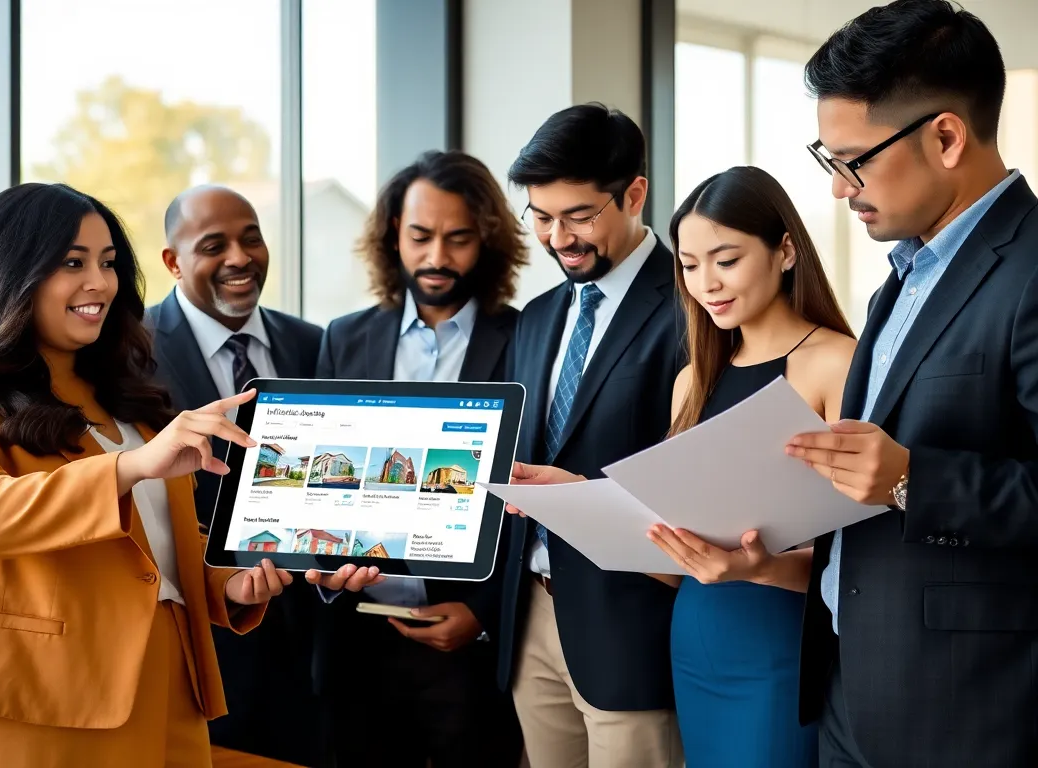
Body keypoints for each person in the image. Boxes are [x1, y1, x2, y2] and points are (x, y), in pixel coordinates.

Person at [0, 182, 294, 767]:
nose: (99, 282)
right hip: (29, 698)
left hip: (168, 683)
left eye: (108, 262)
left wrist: (226, 581)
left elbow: (152, 544)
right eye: (73, 263)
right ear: (10, 271)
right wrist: (130, 466)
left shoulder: (121, 386)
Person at [786, 2, 1038, 766]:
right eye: (828, 162)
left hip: (967, 711)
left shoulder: (1029, 273)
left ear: (947, 136)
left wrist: (911, 480)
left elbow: (906, 474)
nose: (839, 189)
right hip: (849, 688)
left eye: (853, 161)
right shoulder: (899, 280)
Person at [312, 149, 527, 768]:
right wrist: (323, 575)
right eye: (420, 236)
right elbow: (327, 481)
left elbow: (530, 498)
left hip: (466, 646)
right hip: (357, 639)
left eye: (458, 238)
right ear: (392, 238)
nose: (437, 257)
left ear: (485, 242)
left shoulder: (526, 339)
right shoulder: (343, 337)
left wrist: (482, 617)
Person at [642, 166, 856, 768]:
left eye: (726, 259)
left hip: (781, 642)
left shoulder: (835, 363)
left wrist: (757, 567)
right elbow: (675, 547)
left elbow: (861, 553)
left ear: (786, 250)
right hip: (697, 635)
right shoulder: (693, 379)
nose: (705, 282)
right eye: (688, 264)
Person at [495, 103, 685, 768]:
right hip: (534, 621)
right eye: (541, 217)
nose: (557, 238)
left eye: (578, 216)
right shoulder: (538, 317)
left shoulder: (696, 308)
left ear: (635, 194)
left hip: (635, 622)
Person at [145, 184, 327, 765]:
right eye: (213, 245)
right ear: (173, 262)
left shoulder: (311, 343)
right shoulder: (131, 352)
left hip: (313, 641)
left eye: (252, 239)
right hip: (202, 640)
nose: (239, 257)